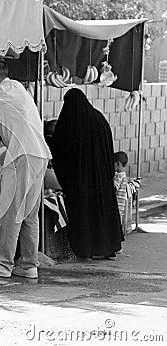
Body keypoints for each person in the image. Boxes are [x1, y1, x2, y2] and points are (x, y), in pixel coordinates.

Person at [0, 56, 52, 279]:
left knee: (11, 211)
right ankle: (28, 265)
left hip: (23, 154)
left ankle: (4, 264)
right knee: (28, 214)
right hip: (37, 155)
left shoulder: (5, 88)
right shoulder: (15, 90)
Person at [52, 88, 123, 260]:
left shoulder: (69, 122)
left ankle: (87, 249)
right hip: (102, 178)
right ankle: (109, 248)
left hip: (81, 180)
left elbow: (59, 150)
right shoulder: (99, 119)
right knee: (104, 211)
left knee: (84, 212)